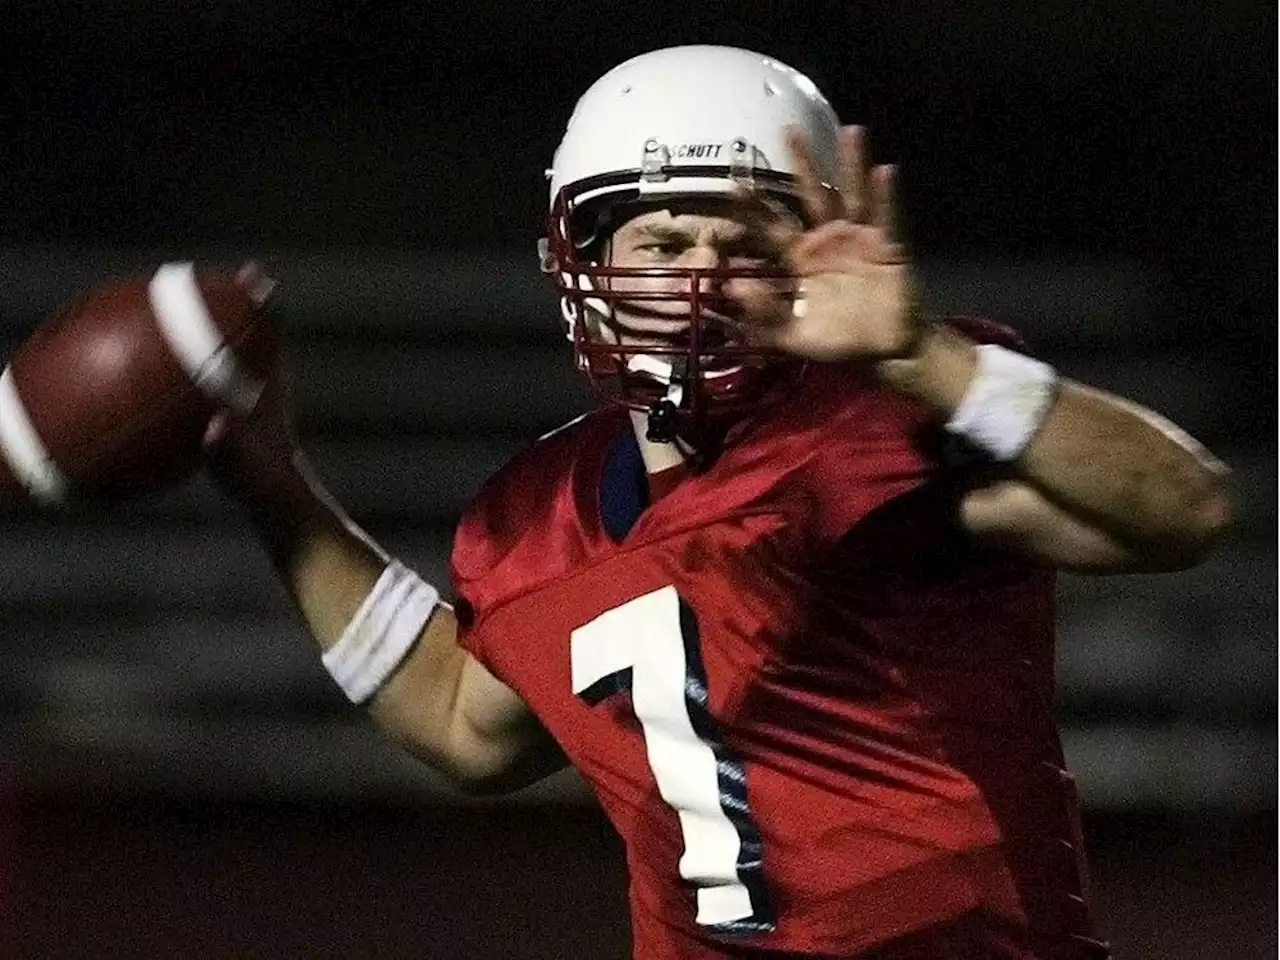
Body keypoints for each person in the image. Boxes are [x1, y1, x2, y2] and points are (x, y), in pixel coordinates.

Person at [206, 45, 1231, 960]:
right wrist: (275, 487)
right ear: (584, 265)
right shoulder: (534, 510)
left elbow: (1180, 508)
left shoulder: (879, 419)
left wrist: (930, 358)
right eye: (661, 246)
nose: (704, 275)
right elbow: (461, 726)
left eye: (743, 242)